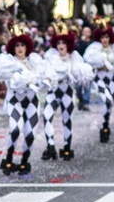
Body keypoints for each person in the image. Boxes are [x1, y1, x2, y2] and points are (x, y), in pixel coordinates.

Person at [0, 27, 46, 175]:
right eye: (17, 45)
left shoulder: (34, 60)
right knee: (15, 129)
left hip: (31, 101)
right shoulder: (9, 62)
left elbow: (44, 76)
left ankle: (24, 161)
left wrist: (44, 80)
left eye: (22, 45)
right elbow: (9, 79)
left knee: (30, 133)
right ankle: (8, 158)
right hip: (14, 99)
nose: (20, 48)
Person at [38, 25, 93, 161]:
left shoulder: (74, 57)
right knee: (46, 117)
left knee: (66, 120)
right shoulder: (51, 56)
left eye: (63, 43)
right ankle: (51, 146)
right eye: (58, 43)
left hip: (67, 92)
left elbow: (82, 74)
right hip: (53, 91)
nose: (61, 45)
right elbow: (45, 71)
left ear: (68, 44)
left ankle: (67, 147)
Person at [83, 21, 114, 142]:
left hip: (112, 78)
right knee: (107, 100)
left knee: (110, 103)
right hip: (99, 78)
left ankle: (105, 125)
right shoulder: (94, 48)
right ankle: (104, 125)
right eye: (102, 37)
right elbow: (87, 59)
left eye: (107, 37)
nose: (105, 39)